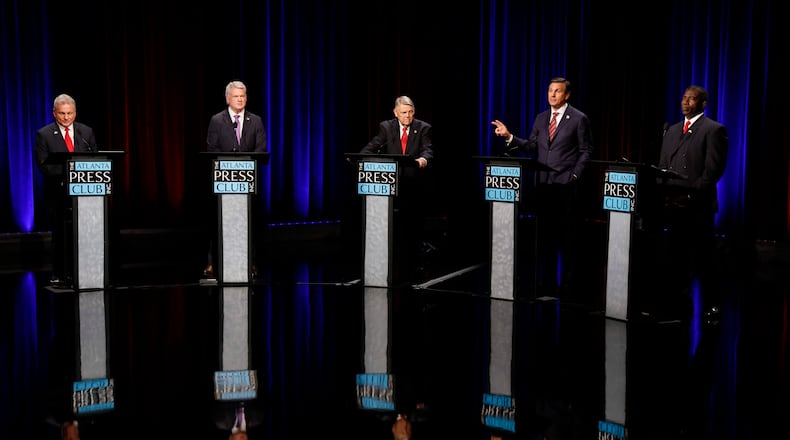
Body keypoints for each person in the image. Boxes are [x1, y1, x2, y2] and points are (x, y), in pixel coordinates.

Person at [491, 77, 593, 297]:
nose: (552, 95)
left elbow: (586, 151)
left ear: (566, 95)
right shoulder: (541, 118)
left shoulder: (578, 118)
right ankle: (545, 283)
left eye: (557, 91)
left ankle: (568, 286)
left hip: (566, 187)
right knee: (544, 237)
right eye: (550, 91)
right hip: (543, 187)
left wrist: (575, 175)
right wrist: (509, 136)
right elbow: (531, 146)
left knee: (567, 238)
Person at [656, 84, 728, 322]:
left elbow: (713, 170)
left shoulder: (713, 130)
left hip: (698, 206)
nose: (685, 102)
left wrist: (690, 195)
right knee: (675, 257)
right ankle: (677, 304)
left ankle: (712, 307)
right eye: (684, 98)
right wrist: (665, 192)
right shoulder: (672, 129)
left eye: (692, 99)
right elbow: (663, 166)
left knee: (704, 260)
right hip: (673, 205)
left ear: (703, 104)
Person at [359, 95, 434, 283]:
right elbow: (374, 145)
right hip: (390, 186)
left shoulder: (423, 127)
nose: (407, 117)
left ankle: (415, 263)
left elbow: (428, 149)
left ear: (414, 112)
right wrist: (358, 158)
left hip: (413, 185)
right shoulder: (386, 127)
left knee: (413, 226)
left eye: (410, 112)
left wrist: (423, 159)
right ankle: (390, 260)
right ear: (395, 113)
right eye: (403, 113)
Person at [203, 80, 267, 278]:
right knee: (217, 223)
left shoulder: (255, 120)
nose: (240, 100)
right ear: (227, 98)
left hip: (248, 181)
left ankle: (251, 263)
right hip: (223, 181)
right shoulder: (217, 120)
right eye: (236, 96)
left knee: (250, 224)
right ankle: (213, 264)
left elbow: (261, 148)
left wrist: (247, 163)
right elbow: (211, 148)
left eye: (243, 96)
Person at [35, 94, 99, 287]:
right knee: (60, 235)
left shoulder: (85, 132)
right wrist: (71, 172)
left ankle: (88, 271)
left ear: (75, 112)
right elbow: (44, 165)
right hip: (58, 194)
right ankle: (59, 273)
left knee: (85, 233)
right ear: (54, 113)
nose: (66, 117)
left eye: (70, 113)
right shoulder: (44, 134)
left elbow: (95, 159)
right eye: (62, 113)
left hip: (85, 194)